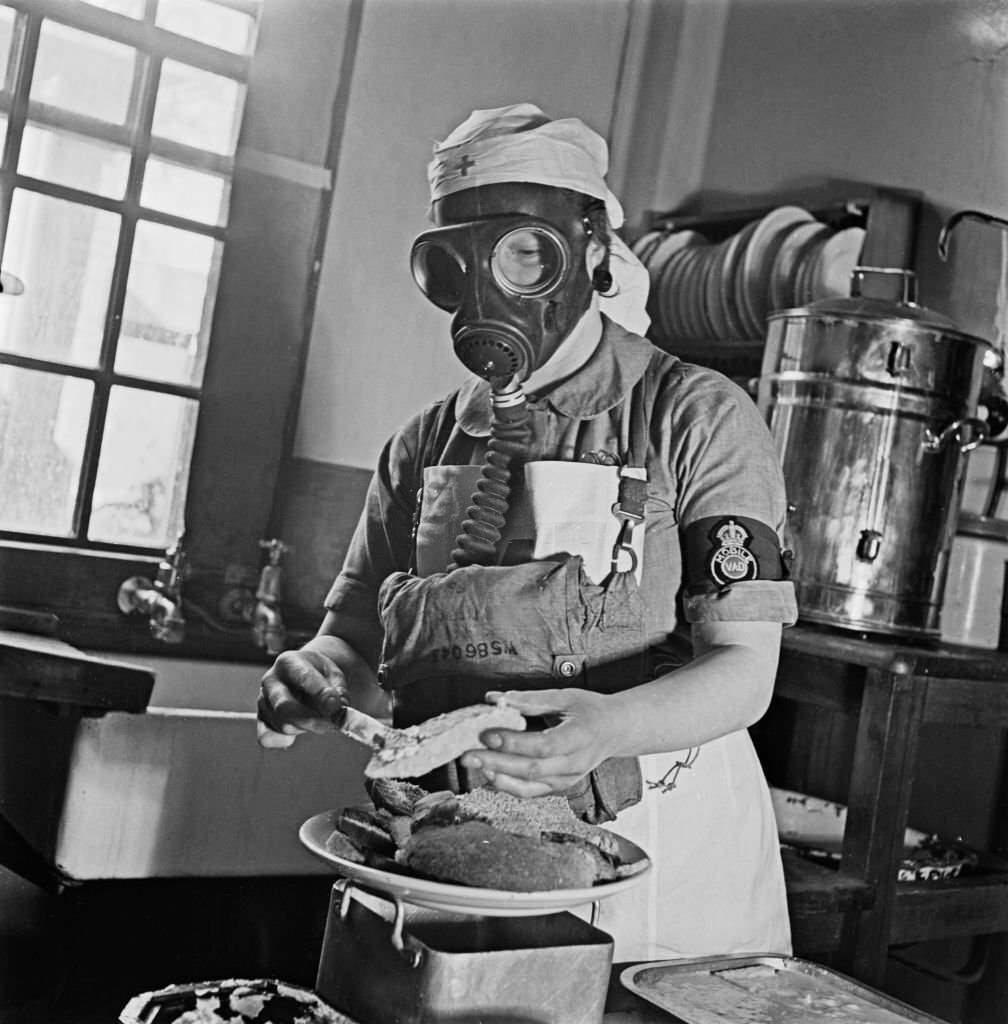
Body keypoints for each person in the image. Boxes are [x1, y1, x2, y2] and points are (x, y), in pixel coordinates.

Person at [257, 102, 798, 961]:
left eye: (522, 253)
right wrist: (315, 676)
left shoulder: (695, 416)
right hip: (454, 850)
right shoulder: (421, 445)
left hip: (654, 845)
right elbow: (353, 646)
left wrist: (606, 729)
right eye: (455, 264)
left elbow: (744, 671)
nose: (489, 291)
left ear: (589, 251)